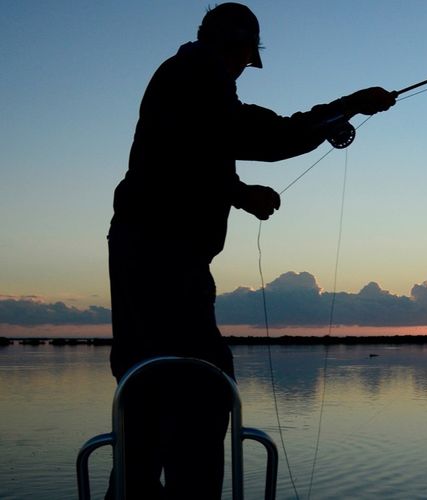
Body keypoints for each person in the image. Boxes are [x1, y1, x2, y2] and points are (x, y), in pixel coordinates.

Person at [106, 2, 396, 498]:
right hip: (162, 259)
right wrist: (346, 106)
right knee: (204, 382)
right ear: (236, 47)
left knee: (147, 388)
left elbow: (196, 158)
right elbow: (263, 133)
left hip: (147, 253)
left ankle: (133, 490)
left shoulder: (187, 82)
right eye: (245, 59)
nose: (244, 71)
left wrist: (241, 195)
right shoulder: (197, 73)